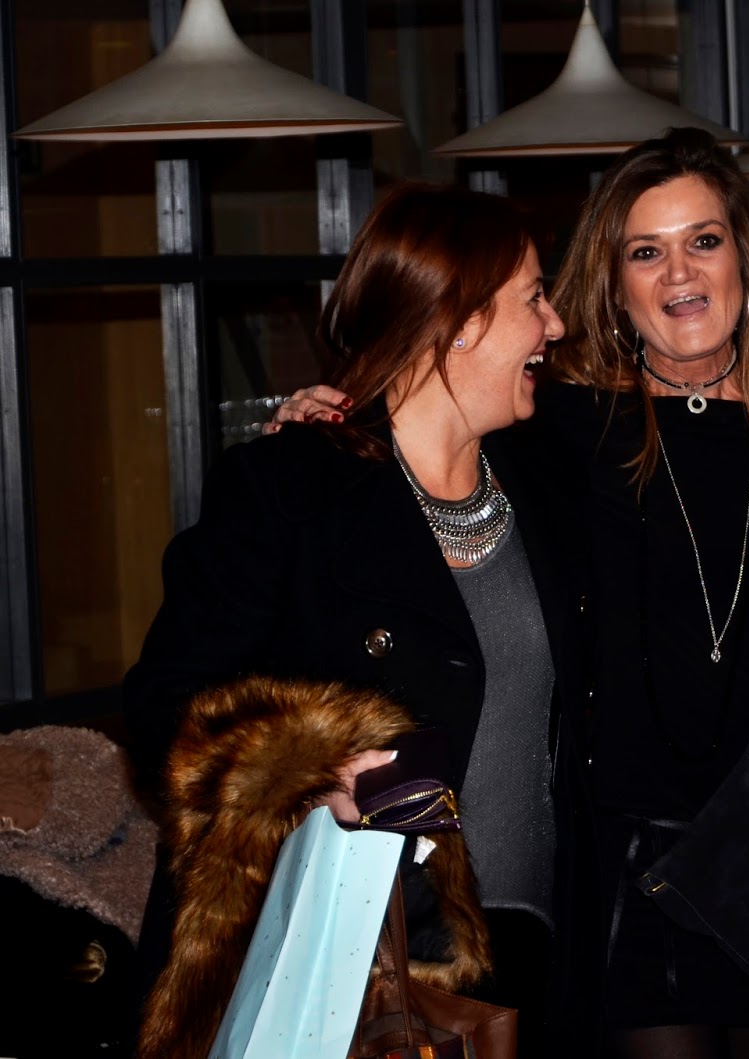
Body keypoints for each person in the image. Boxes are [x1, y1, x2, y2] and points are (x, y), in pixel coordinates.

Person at [276, 128, 749, 1059]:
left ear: (744, 257)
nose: (680, 273)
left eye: (704, 241)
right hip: (626, 851)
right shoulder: (563, 414)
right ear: (613, 281)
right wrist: (327, 417)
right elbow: (429, 421)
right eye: (646, 251)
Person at [123, 182, 591, 1058]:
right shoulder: (291, 489)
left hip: (536, 966)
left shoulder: (551, 475)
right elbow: (162, 710)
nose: (555, 325)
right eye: (534, 298)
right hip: (346, 971)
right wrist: (313, 769)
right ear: (459, 320)